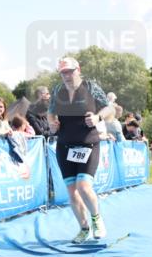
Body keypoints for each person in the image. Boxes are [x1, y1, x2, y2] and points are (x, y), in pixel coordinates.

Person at [48, 57, 113, 243]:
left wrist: (98, 118)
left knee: (84, 187)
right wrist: (52, 122)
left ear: (78, 69)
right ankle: (84, 228)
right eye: (63, 72)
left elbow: (109, 107)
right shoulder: (57, 90)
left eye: (70, 71)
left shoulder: (90, 87)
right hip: (65, 145)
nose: (67, 75)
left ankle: (96, 219)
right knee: (72, 191)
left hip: (88, 144)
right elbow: (50, 111)